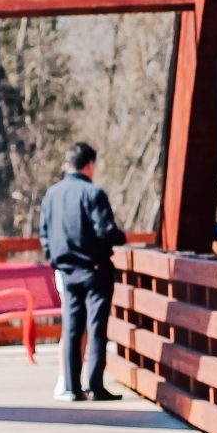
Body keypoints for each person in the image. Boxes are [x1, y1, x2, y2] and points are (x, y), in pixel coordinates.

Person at [39, 141, 128, 402]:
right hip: (94, 269)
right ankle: (95, 386)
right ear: (89, 165)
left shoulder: (52, 194)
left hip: (67, 271)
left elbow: (45, 232)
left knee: (72, 328)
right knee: (96, 328)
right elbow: (105, 231)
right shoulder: (93, 193)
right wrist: (121, 237)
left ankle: (71, 386)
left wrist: (54, 258)